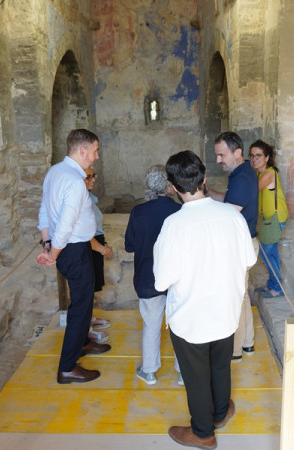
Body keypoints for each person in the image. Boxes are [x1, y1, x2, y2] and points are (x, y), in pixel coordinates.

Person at [154, 150, 256, 449]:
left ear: (172, 186)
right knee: (220, 365)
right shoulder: (232, 217)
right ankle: (221, 412)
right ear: (205, 179)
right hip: (225, 311)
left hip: (190, 318)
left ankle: (202, 432)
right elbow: (248, 260)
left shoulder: (173, 226)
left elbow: (162, 280)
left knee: (196, 377)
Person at [37, 128, 111, 384]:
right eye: (94, 150)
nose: (97, 156)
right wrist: (52, 254)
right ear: (82, 151)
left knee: (83, 302)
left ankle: (81, 345)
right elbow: (66, 225)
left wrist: (47, 243)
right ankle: (67, 367)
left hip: (67, 248)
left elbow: (44, 211)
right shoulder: (75, 182)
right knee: (80, 308)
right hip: (75, 250)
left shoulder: (55, 172)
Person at [124, 165, 182, 385]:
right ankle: (183, 372)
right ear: (170, 186)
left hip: (148, 277)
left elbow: (130, 246)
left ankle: (149, 371)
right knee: (179, 324)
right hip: (177, 277)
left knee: (151, 323)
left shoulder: (138, 212)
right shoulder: (179, 212)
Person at [207, 131, 259, 361]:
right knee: (243, 296)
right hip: (247, 241)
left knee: (235, 298)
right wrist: (206, 193)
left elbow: (230, 214)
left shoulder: (241, 178)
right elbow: (230, 202)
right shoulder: (243, 172)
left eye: (222, 155)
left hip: (240, 246)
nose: (219, 161)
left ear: (237, 152)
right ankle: (247, 343)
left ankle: (235, 350)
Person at [249, 140, 289, 297]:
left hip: (275, 218)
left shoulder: (269, 173)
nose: (254, 159)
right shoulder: (261, 173)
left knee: (268, 252)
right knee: (269, 253)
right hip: (268, 218)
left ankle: (277, 288)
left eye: (258, 155)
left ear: (267, 157)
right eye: (252, 156)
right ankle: (273, 284)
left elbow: (253, 191)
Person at [84, 167, 113, 344]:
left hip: (96, 241)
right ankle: (86, 329)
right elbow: (82, 233)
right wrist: (101, 249)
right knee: (86, 288)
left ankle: (90, 318)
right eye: (88, 177)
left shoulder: (87, 196)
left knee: (92, 285)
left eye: (94, 175)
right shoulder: (79, 199)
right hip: (90, 245)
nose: (93, 179)